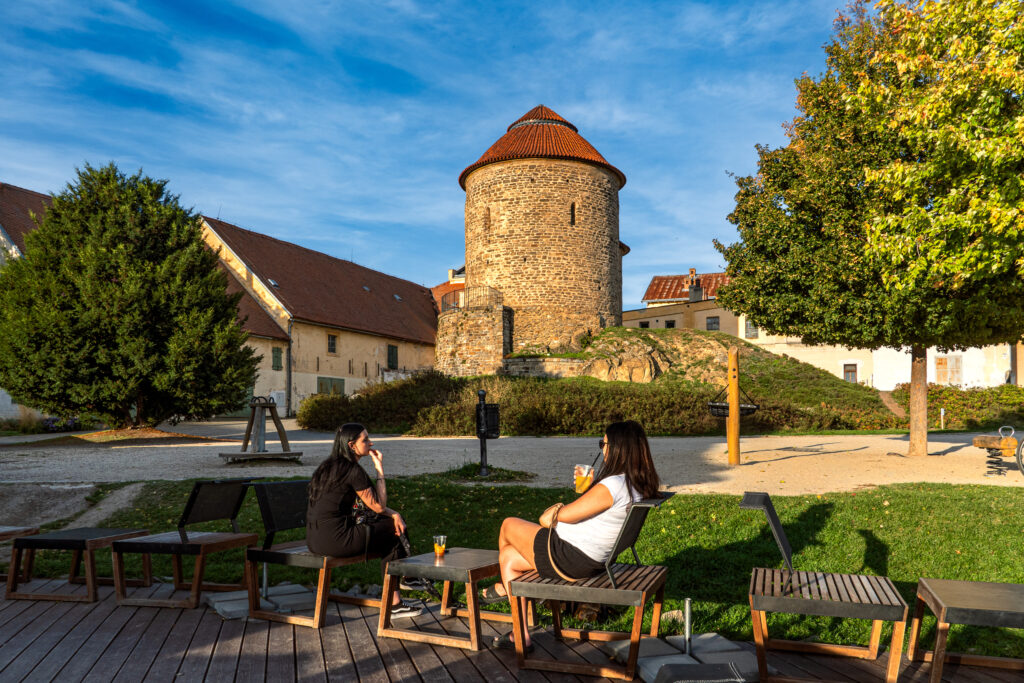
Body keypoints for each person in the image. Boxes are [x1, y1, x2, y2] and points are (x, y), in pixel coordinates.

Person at [486, 419, 661, 651]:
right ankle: (521, 631)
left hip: (569, 558)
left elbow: (554, 518)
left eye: (604, 443)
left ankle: (503, 588)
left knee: (508, 524)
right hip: (595, 560)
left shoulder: (611, 486)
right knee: (508, 557)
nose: (602, 448)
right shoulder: (637, 483)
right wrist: (589, 491)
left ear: (618, 448)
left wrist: (560, 507)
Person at [306, 422, 425, 618]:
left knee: (390, 524)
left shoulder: (327, 467)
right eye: (366, 440)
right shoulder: (352, 470)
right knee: (392, 529)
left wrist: (393, 513)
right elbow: (378, 505)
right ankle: (401, 590)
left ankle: (404, 582)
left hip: (315, 541)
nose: (371, 443)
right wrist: (380, 469)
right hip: (336, 541)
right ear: (352, 445)